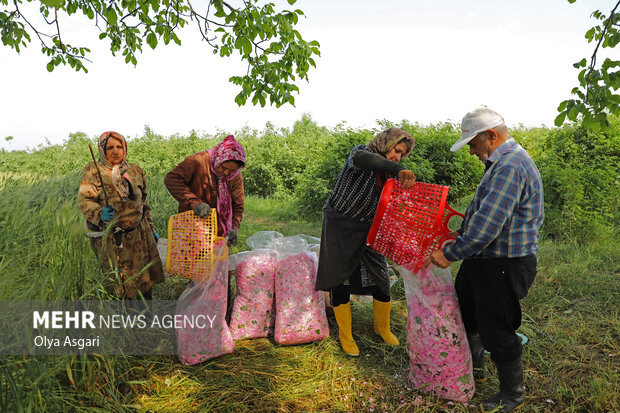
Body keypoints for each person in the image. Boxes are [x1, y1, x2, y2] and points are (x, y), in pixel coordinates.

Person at [428, 107, 544, 412]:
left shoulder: (509, 166)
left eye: (472, 144)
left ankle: (512, 395)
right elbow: (482, 216)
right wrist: (458, 236)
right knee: (466, 312)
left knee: (497, 329)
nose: (471, 151)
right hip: (484, 258)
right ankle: (473, 370)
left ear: (490, 136)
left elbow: (488, 227)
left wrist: (450, 253)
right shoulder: (501, 162)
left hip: (503, 262)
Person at [315, 128, 416, 356]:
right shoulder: (361, 153)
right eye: (396, 150)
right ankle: (346, 335)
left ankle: (382, 327)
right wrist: (397, 168)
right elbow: (365, 160)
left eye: (402, 155)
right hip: (340, 224)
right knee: (339, 277)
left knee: (380, 275)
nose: (397, 157)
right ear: (385, 143)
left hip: (368, 228)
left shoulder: (388, 176)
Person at [78, 131, 165, 299]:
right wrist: (98, 213)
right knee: (120, 282)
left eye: (119, 146)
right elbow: (85, 200)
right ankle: (124, 321)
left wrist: (151, 228)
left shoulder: (135, 170)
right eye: (110, 147)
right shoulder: (93, 170)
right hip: (113, 238)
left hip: (140, 234)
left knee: (144, 279)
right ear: (102, 149)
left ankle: (146, 320)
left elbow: (144, 202)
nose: (116, 151)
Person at [164, 134, 245, 243]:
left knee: (216, 258)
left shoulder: (234, 176)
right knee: (190, 256)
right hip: (192, 224)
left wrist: (234, 229)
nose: (226, 173)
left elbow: (238, 205)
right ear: (219, 158)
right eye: (224, 168)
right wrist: (194, 202)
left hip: (218, 229)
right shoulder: (198, 161)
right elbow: (171, 179)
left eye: (231, 171)